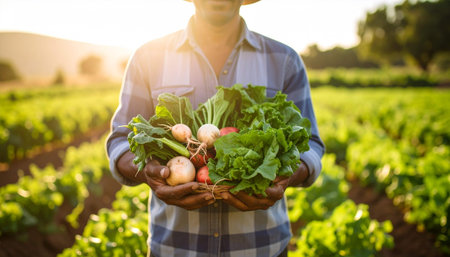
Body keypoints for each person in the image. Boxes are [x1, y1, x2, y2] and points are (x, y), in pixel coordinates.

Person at [106, 0, 325, 256]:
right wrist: (148, 172)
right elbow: (121, 140)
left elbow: (309, 144)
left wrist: (286, 175)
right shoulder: (148, 57)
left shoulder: (284, 60)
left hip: (261, 248)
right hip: (176, 248)